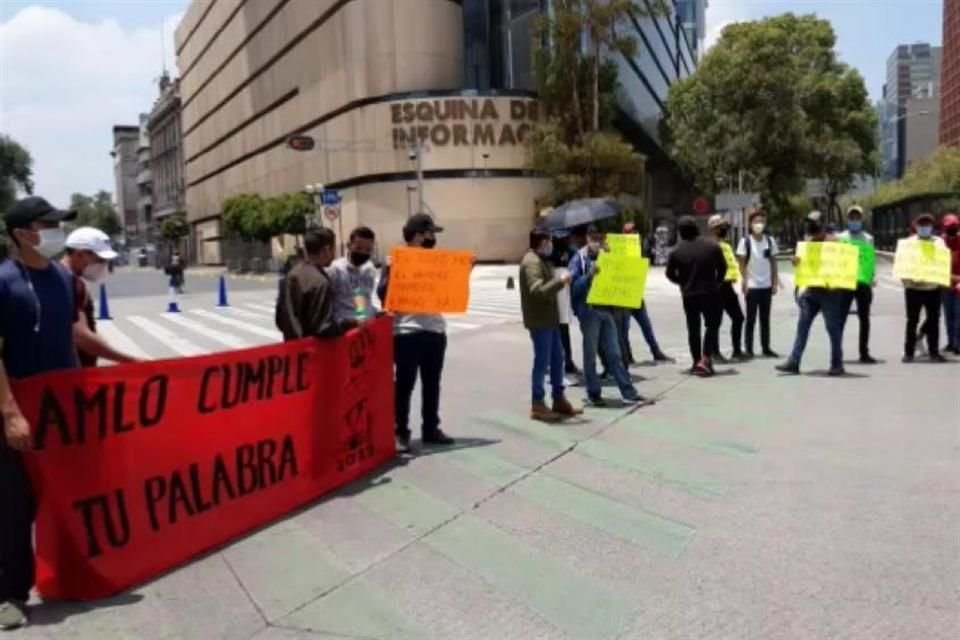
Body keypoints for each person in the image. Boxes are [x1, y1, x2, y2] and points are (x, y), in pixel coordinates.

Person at [0, 196, 80, 630]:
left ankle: (68, 572)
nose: (54, 230)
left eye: (57, 222)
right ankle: (9, 593)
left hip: (61, 412)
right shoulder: (4, 281)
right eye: (46, 223)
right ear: (21, 233)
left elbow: (70, 336)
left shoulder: (63, 278)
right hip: (17, 412)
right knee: (15, 506)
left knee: (65, 496)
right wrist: (10, 412)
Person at [377, 214, 455, 452]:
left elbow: (451, 288)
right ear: (418, 235)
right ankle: (400, 431)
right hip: (406, 331)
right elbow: (383, 296)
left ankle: (431, 428)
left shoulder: (436, 261)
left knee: (432, 383)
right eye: (430, 233)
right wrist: (390, 271)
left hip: (434, 330)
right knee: (405, 384)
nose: (433, 238)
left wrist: (464, 271)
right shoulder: (396, 259)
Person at [569, 225, 643, 406]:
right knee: (590, 355)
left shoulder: (607, 256)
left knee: (614, 353)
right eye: (593, 238)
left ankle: (629, 392)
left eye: (600, 238)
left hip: (608, 311)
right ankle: (594, 393)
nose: (597, 242)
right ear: (587, 238)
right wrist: (588, 276)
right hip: (590, 312)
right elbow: (573, 288)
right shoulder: (579, 259)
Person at [519, 229, 582, 421]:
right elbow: (537, 291)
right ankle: (537, 403)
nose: (551, 246)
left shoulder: (542, 260)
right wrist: (560, 282)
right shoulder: (531, 263)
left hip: (550, 319)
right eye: (549, 242)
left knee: (558, 359)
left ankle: (558, 398)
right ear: (542, 242)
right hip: (540, 321)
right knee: (542, 362)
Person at [776, 211, 846, 376]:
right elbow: (802, 264)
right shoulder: (808, 242)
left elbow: (843, 265)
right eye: (810, 226)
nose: (813, 229)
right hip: (812, 291)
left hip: (830, 292)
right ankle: (794, 361)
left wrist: (836, 283)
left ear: (823, 225)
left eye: (815, 225)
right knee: (802, 325)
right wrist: (796, 261)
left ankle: (837, 363)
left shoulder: (834, 242)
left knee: (832, 328)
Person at [62, 227, 140, 367]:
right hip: (75, 372)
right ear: (79, 254)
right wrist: (130, 360)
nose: (103, 265)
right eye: (99, 260)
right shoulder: (71, 283)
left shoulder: (55, 276)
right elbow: (80, 336)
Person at [666, 216, 727, 376]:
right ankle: (706, 358)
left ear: (680, 232)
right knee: (712, 325)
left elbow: (669, 274)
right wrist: (717, 283)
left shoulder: (676, 251)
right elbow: (723, 268)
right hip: (710, 293)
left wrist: (683, 282)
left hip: (689, 295)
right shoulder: (712, 246)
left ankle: (696, 362)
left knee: (693, 329)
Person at [275, 228, 357, 341]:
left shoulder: (291, 275)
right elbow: (324, 329)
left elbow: (280, 320)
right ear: (327, 250)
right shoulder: (320, 282)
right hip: (313, 352)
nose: (334, 255)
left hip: (293, 350)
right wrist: (348, 324)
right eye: (334, 249)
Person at [618, 223, 673, 365]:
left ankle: (656, 352)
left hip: (636, 294)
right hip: (623, 296)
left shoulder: (638, 248)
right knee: (624, 329)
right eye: (630, 232)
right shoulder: (618, 250)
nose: (633, 234)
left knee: (646, 325)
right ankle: (627, 355)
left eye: (635, 232)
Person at [900, 212, 948, 363]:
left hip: (932, 288)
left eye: (927, 224)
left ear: (932, 226)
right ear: (916, 226)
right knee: (911, 321)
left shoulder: (939, 243)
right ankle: (909, 353)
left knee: (934, 320)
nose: (924, 227)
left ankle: (934, 352)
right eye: (921, 224)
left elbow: (943, 263)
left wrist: (942, 281)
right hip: (913, 288)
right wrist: (908, 281)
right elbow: (903, 264)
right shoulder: (909, 243)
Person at [836, 205, 878, 364]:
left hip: (863, 283)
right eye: (851, 218)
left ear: (862, 219)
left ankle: (864, 352)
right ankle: (837, 351)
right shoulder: (841, 238)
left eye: (857, 218)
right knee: (840, 319)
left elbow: (870, 260)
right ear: (848, 220)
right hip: (845, 282)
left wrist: (872, 276)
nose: (854, 220)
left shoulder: (868, 239)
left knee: (864, 319)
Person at [736, 210, 780, 358]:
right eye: (756, 222)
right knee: (751, 319)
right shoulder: (745, 242)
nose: (759, 224)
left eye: (761, 221)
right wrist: (744, 281)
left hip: (766, 286)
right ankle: (749, 349)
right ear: (750, 224)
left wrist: (774, 283)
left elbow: (773, 263)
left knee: (765, 319)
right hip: (752, 287)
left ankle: (766, 347)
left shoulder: (770, 241)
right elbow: (741, 264)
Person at [707, 214, 746, 362]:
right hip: (716, 287)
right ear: (713, 229)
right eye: (721, 227)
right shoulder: (709, 246)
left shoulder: (726, 245)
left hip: (728, 286)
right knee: (715, 321)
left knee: (738, 318)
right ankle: (714, 352)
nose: (724, 230)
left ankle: (736, 350)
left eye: (725, 227)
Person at [328, 226, 378, 323]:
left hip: (368, 325)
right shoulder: (336, 269)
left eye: (368, 250)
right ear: (349, 245)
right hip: (347, 329)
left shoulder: (369, 268)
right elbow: (329, 301)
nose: (363, 252)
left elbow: (371, 295)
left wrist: (377, 311)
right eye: (359, 248)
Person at [547, 232, 580, 375]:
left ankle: (565, 361)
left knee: (560, 330)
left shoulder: (556, 251)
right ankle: (564, 362)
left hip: (561, 295)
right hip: (557, 295)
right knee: (560, 331)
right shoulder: (553, 251)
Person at [940, 213, 960, 354]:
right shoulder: (940, 242)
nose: (952, 230)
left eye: (954, 227)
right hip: (945, 283)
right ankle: (950, 342)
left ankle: (957, 342)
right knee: (948, 315)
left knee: (958, 314)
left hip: (959, 283)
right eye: (949, 228)